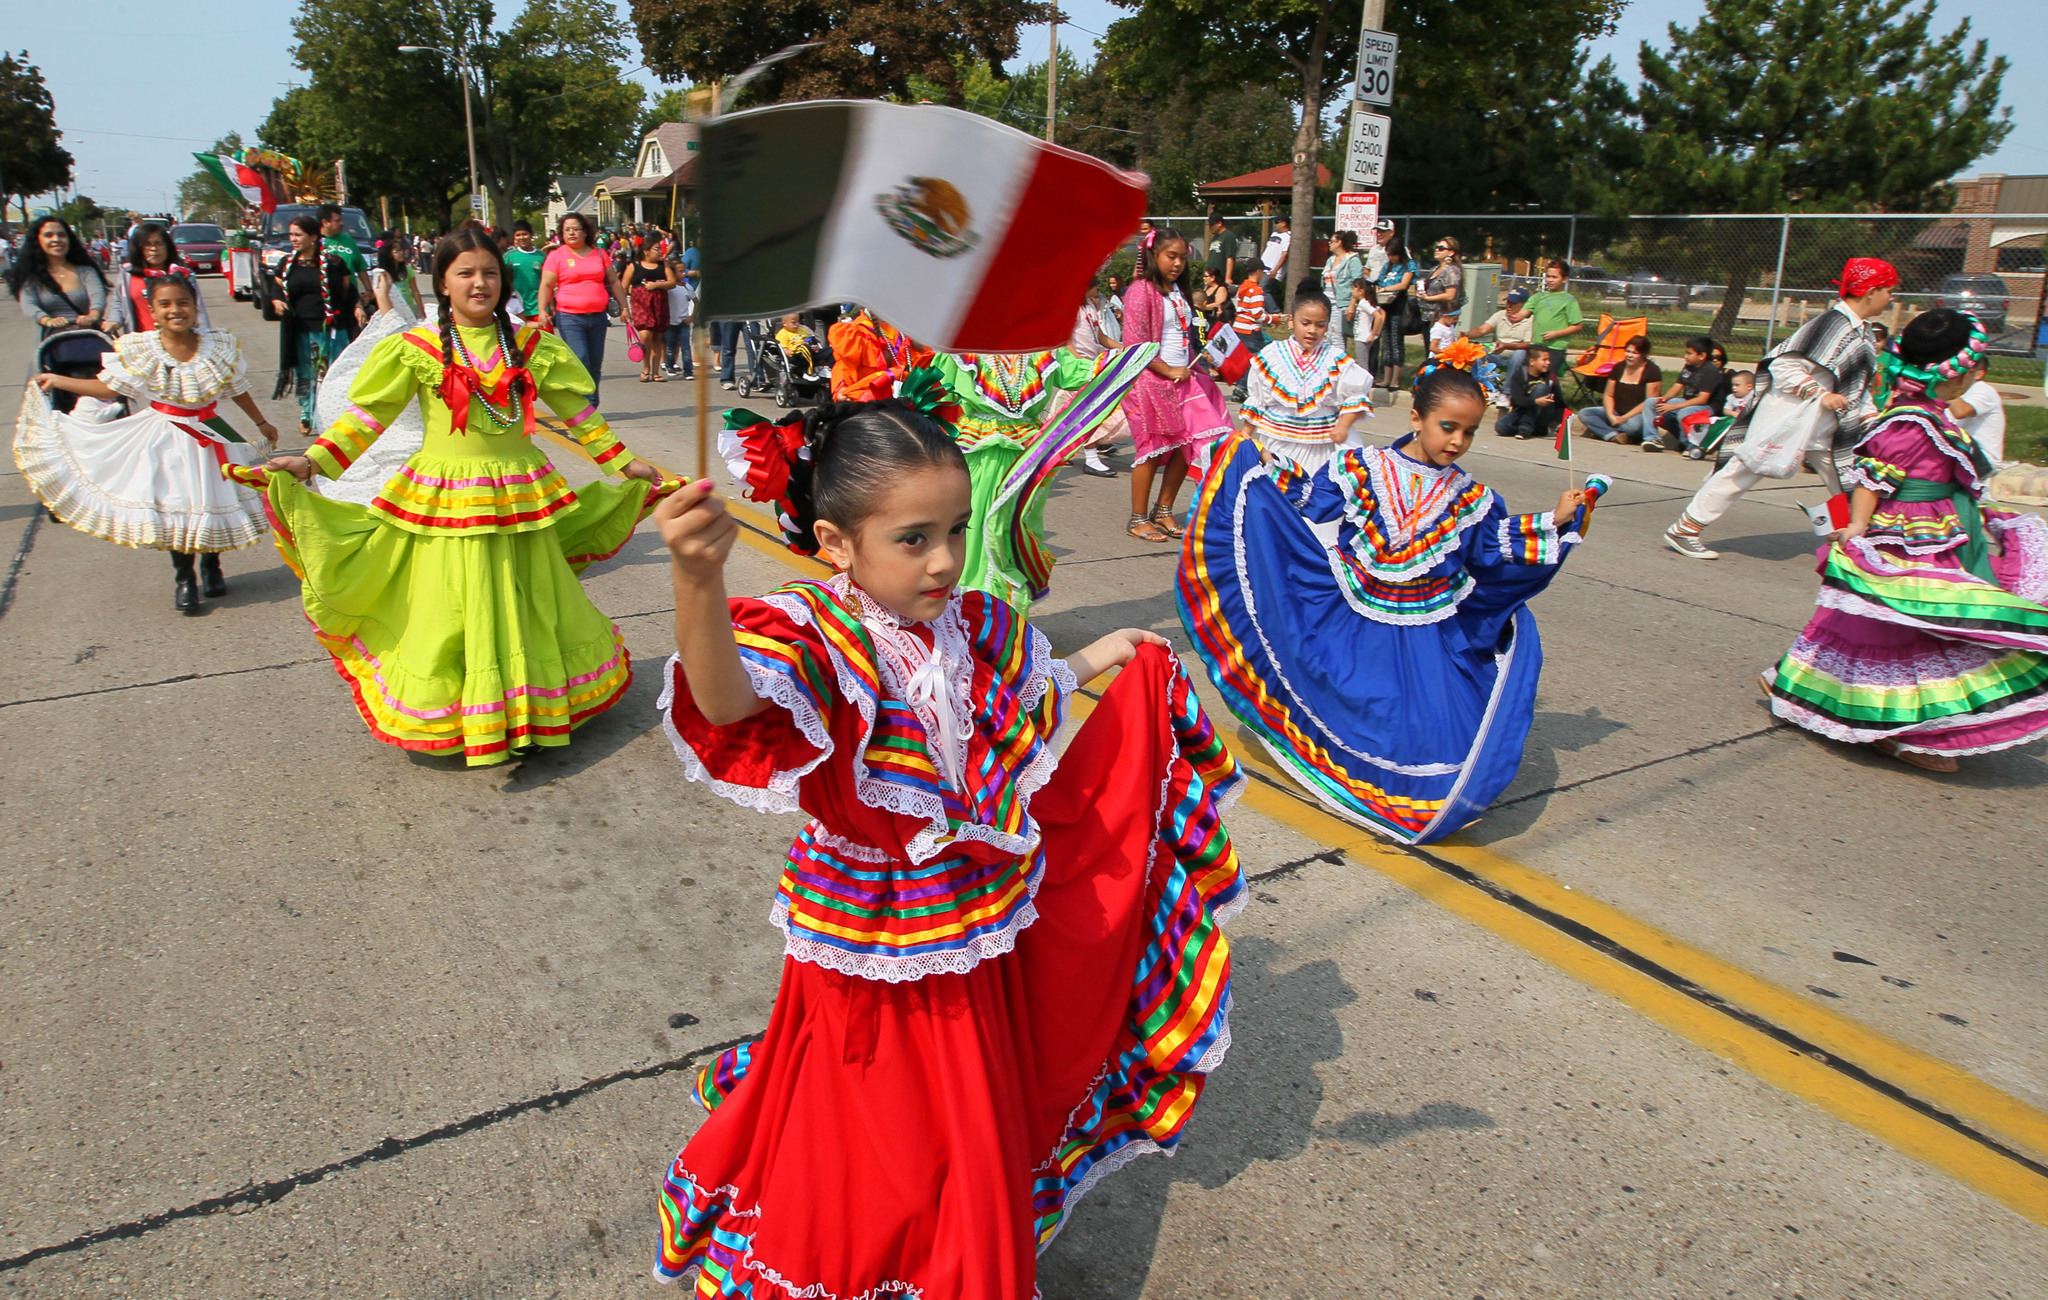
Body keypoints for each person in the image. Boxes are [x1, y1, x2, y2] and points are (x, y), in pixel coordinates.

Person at [652, 389, 1246, 1299]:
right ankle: (881, 1255)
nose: (944, 559)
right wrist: (697, 580)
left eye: (957, 529)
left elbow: (1026, 691)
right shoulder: (818, 632)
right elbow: (730, 704)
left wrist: (1106, 658)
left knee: (965, 1103)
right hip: (864, 931)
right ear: (835, 542)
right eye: (913, 537)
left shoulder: (974, 624)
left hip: (972, 916)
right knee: (876, 1108)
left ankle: (958, 1240)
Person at [248, 228, 671, 765]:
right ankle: (474, 710)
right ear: (442, 284)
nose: (480, 283)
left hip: (519, 493)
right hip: (449, 496)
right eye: (465, 273)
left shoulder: (532, 343)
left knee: (529, 601)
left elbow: (579, 415)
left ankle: (528, 708)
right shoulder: (418, 348)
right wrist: (312, 462)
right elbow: (366, 419)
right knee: (455, 607)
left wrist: (625, 463)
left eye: (490, 272)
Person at [1179, 365, 1596, 844]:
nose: (1457, 441)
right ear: (1417, 418)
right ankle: (1339, 762)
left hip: (1424, 628)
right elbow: (1314, 501)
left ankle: (1431, 796)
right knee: (1357, 695)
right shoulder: (1362, 466)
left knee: (1433, 723)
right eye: (1448, 426)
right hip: (1351, 611)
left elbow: (1492, 548)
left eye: (1469, 431)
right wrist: (1260, 465)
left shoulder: (1473, 497)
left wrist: (1556, 520)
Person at [1763, 308, 2048, 772]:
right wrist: (1857, 527)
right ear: (1957, 374)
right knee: (1904, 625)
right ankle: (1897, 730)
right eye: (1972, 369)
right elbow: (1872, 481)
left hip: (1944, 528)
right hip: (1907, 534)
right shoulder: (1910, 420)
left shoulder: (1931, 413)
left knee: (1924, 624)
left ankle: (1802, 684)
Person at [16, 274, 275, 611]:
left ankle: (212, 567)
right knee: (176, 505)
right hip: (166, 436)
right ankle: (185, 578)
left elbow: (236, 387)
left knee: (215, 496)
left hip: (213, 430)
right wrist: (58, 379)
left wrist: (261, 421)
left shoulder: (217, 345)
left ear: (195, 307)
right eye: (165, 304)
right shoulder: (142, 349)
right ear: (152, 311)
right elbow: (110, 388)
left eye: (183, 302)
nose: (175, 310)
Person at [1664, 257, 1896, 560]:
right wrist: (1819, 394)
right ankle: (1684, 529)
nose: (1891, 298)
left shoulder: (1863, 330)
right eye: (1889, 290)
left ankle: (1862, 538)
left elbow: (1855, 383)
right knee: (1742, 470)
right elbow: (1783, 366)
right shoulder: (1831, 324)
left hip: (1827, 426)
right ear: (1871, 291)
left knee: (1854, 478)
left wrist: (1869, 417)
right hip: (1789, 418)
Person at [929, 339, 1152, 609]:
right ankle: (967, 611)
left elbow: (1082, 372)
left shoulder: (1042, 349)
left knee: (1017, 533)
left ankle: (1004, 615)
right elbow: (936, 396)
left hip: (1030, 458)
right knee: (975, 530)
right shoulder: (960, 349)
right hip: (978, 452)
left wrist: (1135, 355)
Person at [1123, 229, 1232, 542]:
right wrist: (1166, 369)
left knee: (1189, 446)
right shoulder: (1140, 291)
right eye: (1172, 256)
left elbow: (1183, 337)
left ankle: (1163, 509)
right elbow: (1135, 346)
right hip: (1148, 382)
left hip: (1182, 380)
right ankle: (1137, 518)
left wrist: (1196, 364)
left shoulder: (1177, 292)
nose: (1179, 263)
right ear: (1153, 255)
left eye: (1184, 257)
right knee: (1153, 449)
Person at [1238, 286, 1372, 473]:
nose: (1312, 330)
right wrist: (1245, 435)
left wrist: (1343, 426)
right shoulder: (1271, 356)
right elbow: (1258, 398)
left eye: (1320, 325)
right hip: (1278, 441)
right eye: (1306, 323)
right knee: (1278, 492)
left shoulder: (1336, 359)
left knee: (1315, 494)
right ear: (1292, 321)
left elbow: (1355, 396)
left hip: (1321, 445)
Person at [264, 215, 360, 437]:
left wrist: (357, 307)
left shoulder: (334, 263)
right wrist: (277, 300)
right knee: (307, 373)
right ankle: (307, 413)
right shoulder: (287, 264)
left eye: (298, 235)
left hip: (331, 328)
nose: (293, 239)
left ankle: (333, 415)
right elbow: (276, 287)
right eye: (291, 235)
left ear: (313, 237)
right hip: (301, 329)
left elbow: (348, 290)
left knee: (330, 373)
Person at [10, 217, 108, 389]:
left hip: (88, 343)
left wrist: (93, 314)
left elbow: (97, 295)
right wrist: (47, 320)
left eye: (61, 235)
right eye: (49, 235)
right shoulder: (32, 277)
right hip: (51, 344)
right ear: (38, 240)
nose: (56, 240)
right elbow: (29, 304)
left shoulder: (85, 271)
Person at [536, 213, 624, 403]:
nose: (571, 233)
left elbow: (614, 281)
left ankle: (591, 402)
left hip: (598, 316)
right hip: (570, 317)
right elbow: (546, 285)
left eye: (576, 228)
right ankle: (585, 403)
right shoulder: (556, 256)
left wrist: (625, 308)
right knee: (580, 359)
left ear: (585, 232)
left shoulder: (599, 254)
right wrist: (542, 310)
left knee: (594, 362)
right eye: (567, 229)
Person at [106, 222, 210, 336]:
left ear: (167, 246)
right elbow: (119, 304)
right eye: (147, 245)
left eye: (158, 243)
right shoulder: (127, 273)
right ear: (138, 248)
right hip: (142, 343)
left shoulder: (182, 274)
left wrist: (205, 336)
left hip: (180, 341)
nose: (154, 249)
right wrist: (113, 321)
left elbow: (198, 309)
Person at [827, 308, 933, 402]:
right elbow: (844, 367)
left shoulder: (909, 330)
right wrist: (842, 388)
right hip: (872, 406)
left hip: (910, 403)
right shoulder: (855, 333)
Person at [1574, 336, 1661, 444]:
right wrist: (1611, 415)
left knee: (1633, 427)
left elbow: (1649, 402)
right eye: (1628, 351)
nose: (1629, 355)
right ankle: (1613, 435)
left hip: (1636, 415)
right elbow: (1608, 394)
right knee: (1585, 413)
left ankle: (1604, 432)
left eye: (1635, 353)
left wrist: (1624, 418)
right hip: (1616, 411)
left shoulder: (1652, 371)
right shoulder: (1619, 367)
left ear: (1643, 354)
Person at [1647, 335, 1724, 454]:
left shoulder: (1710, 371)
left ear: (1702, 356)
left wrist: (1673, 407)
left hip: (1706, 407)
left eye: (1689, 353)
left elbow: (1702, 399)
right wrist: (1665, 398)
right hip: (1687, 402)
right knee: (1651, 403)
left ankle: (1690, 446)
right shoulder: (1689, 367)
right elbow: (1678, 385)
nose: (1685, 356)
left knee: (1685, 412)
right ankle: (1652, 439)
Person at [625, 239, 677, 383]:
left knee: (657, 340)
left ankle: (655, 372)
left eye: (660, 249)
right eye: (656, 249)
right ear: (646, 251)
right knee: (645, 335)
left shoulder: (663, 265)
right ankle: (646, 368)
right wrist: (624, 309)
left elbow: (672, 283)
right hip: (641, 306)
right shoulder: (633, 266)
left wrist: (656, 285)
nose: (660, 251)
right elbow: (623, 286)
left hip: (659, 305)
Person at [1372, 237, 1418, 396]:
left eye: (1393, 255)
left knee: (1396, 341)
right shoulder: (1387, 266)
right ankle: (1386, 377)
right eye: (1388, 255)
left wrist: (1386, 289)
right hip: (1385, 306)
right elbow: (1380, 281)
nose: (1390, 258)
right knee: (1386, 341)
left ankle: (1395, 380)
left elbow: (1404, 284)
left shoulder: (1408, 266)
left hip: (1399, 306)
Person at [316, 204, 373, 330]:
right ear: (325, 222)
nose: (342, 223)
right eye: (337, 220)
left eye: (341, 219)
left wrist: (369, 291)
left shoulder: (348, 240)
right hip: (326, 300)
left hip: (349, 297)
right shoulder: (315, 241)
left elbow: (360, 267)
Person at [1523, 260, 1584, 377]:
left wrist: (1556, 334)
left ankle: (1551, 394)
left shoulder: (1569, 300)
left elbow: (1578, 325)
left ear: (1564, 279)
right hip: (1536, 345)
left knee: (1548, 378)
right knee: (1530, 376)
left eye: (1554, 277)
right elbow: (1523, 313)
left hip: (1554, 347)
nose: (1550, 280)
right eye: (1548, 276)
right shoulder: (1539, 297)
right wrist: (1516, 315)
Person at [1497, 346, 1564, 441]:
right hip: (1522, 412)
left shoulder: (1550, 377)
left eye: (1548, 359)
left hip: (1542, 414)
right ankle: (1535, 430)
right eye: (1544, 360)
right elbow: (1517, 400)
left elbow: (1559, 402)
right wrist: (1536, 401)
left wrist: (1561, 421)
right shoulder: (1520, 375)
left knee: (1541, 387)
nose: (1548, 363)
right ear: (1532, 361)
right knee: (1501, 427)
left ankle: (1525, 429)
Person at [1948, 355, 2006, 464]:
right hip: (1960, 451)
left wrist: (1948, 386)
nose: (1955, 374)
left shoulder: (1984, 390)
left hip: (1982, 459)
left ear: (1978, 374)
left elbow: (1961, 412)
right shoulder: (1960, 392)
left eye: (1962, 370)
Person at [1468, 287, 1537, 366]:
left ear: (1524, 305)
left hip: (1517, 358)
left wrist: (1505, 346)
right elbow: (1482, 329)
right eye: (1508, 302)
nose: (1508, 306)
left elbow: (1528, 344)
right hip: (1497, 354)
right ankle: (1483, 377)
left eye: (1513, 303)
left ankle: (1512, 379)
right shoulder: (1500, 314)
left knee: (1519, 353)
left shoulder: (1530, 319)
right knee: (1478, 352)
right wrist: (1467, 335)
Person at [1321, 230, 1365, 349]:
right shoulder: (1330, 260)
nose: (1329, 243)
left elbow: (1358, 284)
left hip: (1341, 305)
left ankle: (1339, 364)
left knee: (1337, 338)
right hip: (1327, 304)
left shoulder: (1353, 260)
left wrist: (1352, 305)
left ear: (1339, 242)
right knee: (1326, 337)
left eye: (1332, 241)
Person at [1416, 235, 1465, 330]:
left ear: (1451, 252)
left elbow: (1450, 295)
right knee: (1428, 345)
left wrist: (1428, 298)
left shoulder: (1451, 270)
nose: (1437, 250)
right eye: (1436, 247)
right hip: (1427, 316)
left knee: (1436, 345)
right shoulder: (1435, 268)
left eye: (1441, 248)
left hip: (1441, 318)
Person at [502, 221, 547, 318]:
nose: (521, 237)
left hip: (539, 308)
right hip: (517, 309)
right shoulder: (509, 256)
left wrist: (550, 305)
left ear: (531, 235)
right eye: (518, 235)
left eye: (524, 234)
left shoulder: (542, 256)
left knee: (543, 333)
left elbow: (548, 283)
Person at [663, 252, 696, 379]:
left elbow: (696, 302)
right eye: (680, 271)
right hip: (671, 322)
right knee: (671, 346)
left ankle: (688, 371)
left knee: (686, 347)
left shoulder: (687, 287)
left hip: (684, 322)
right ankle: (669, 365)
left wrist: (692, 316)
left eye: (684, 271)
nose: (683, 274)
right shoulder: (669, 287)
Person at [1203, 214, 1235, 287]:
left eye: (1212, 225)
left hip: (1220, 277)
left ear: (1219, 223)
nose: (1210, 227)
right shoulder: (1215, 237)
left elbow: (1230, 257)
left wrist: (1228, 277)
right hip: (1210, 277)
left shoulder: (1228, 236)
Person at [1259, 216, 1291, 283]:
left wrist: (1275, 270)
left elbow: (1284, 255)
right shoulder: (1274, 234)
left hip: (1271, 271)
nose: (1275, 225)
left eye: (1277, 222)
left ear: (1284, 223)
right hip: (1263, 269)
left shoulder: (1288, 237)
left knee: (1264, 290)